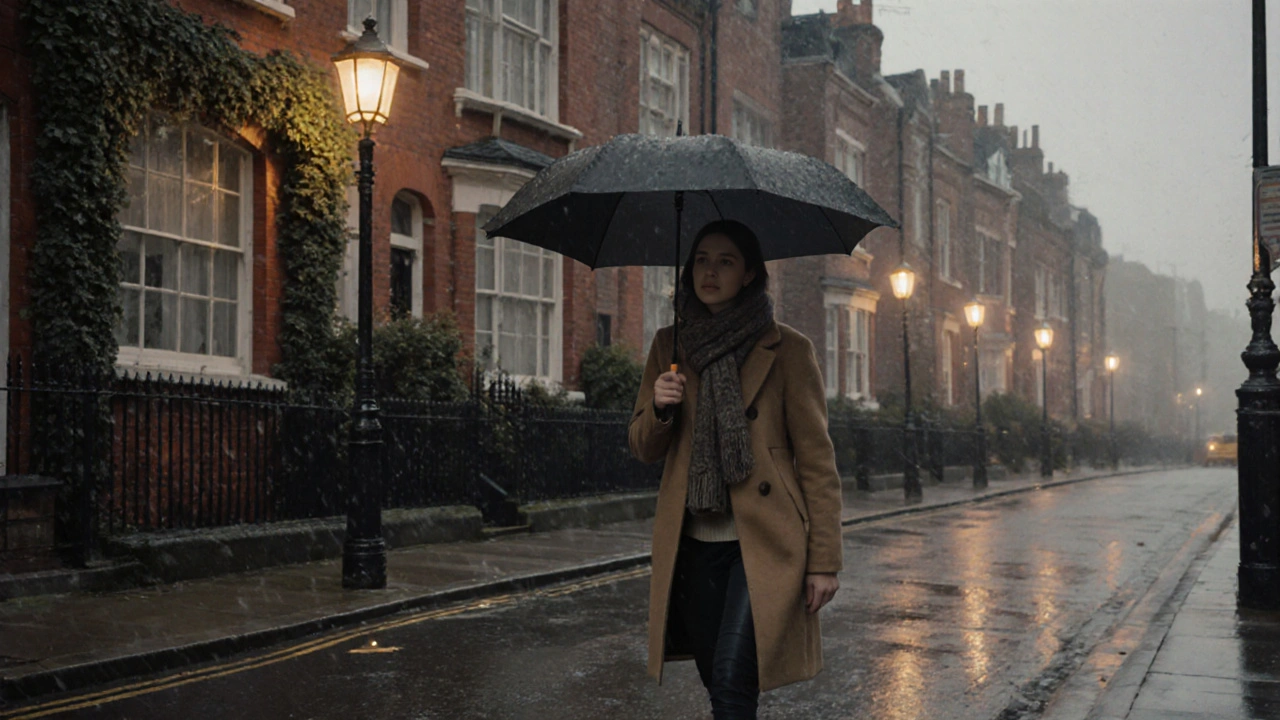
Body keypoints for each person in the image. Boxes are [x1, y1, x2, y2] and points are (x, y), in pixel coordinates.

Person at [629, 219, 844, 719]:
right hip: (695, 545)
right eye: (702, 259)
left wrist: (824, 559)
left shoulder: (788, 349)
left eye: (726, 261)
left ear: (749, 274)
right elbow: (642, 446)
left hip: (765, 543)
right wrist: (661, 408)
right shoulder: (670, 346)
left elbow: (816, 461)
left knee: (731, 677)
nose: (710, 271)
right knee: (718, 681)